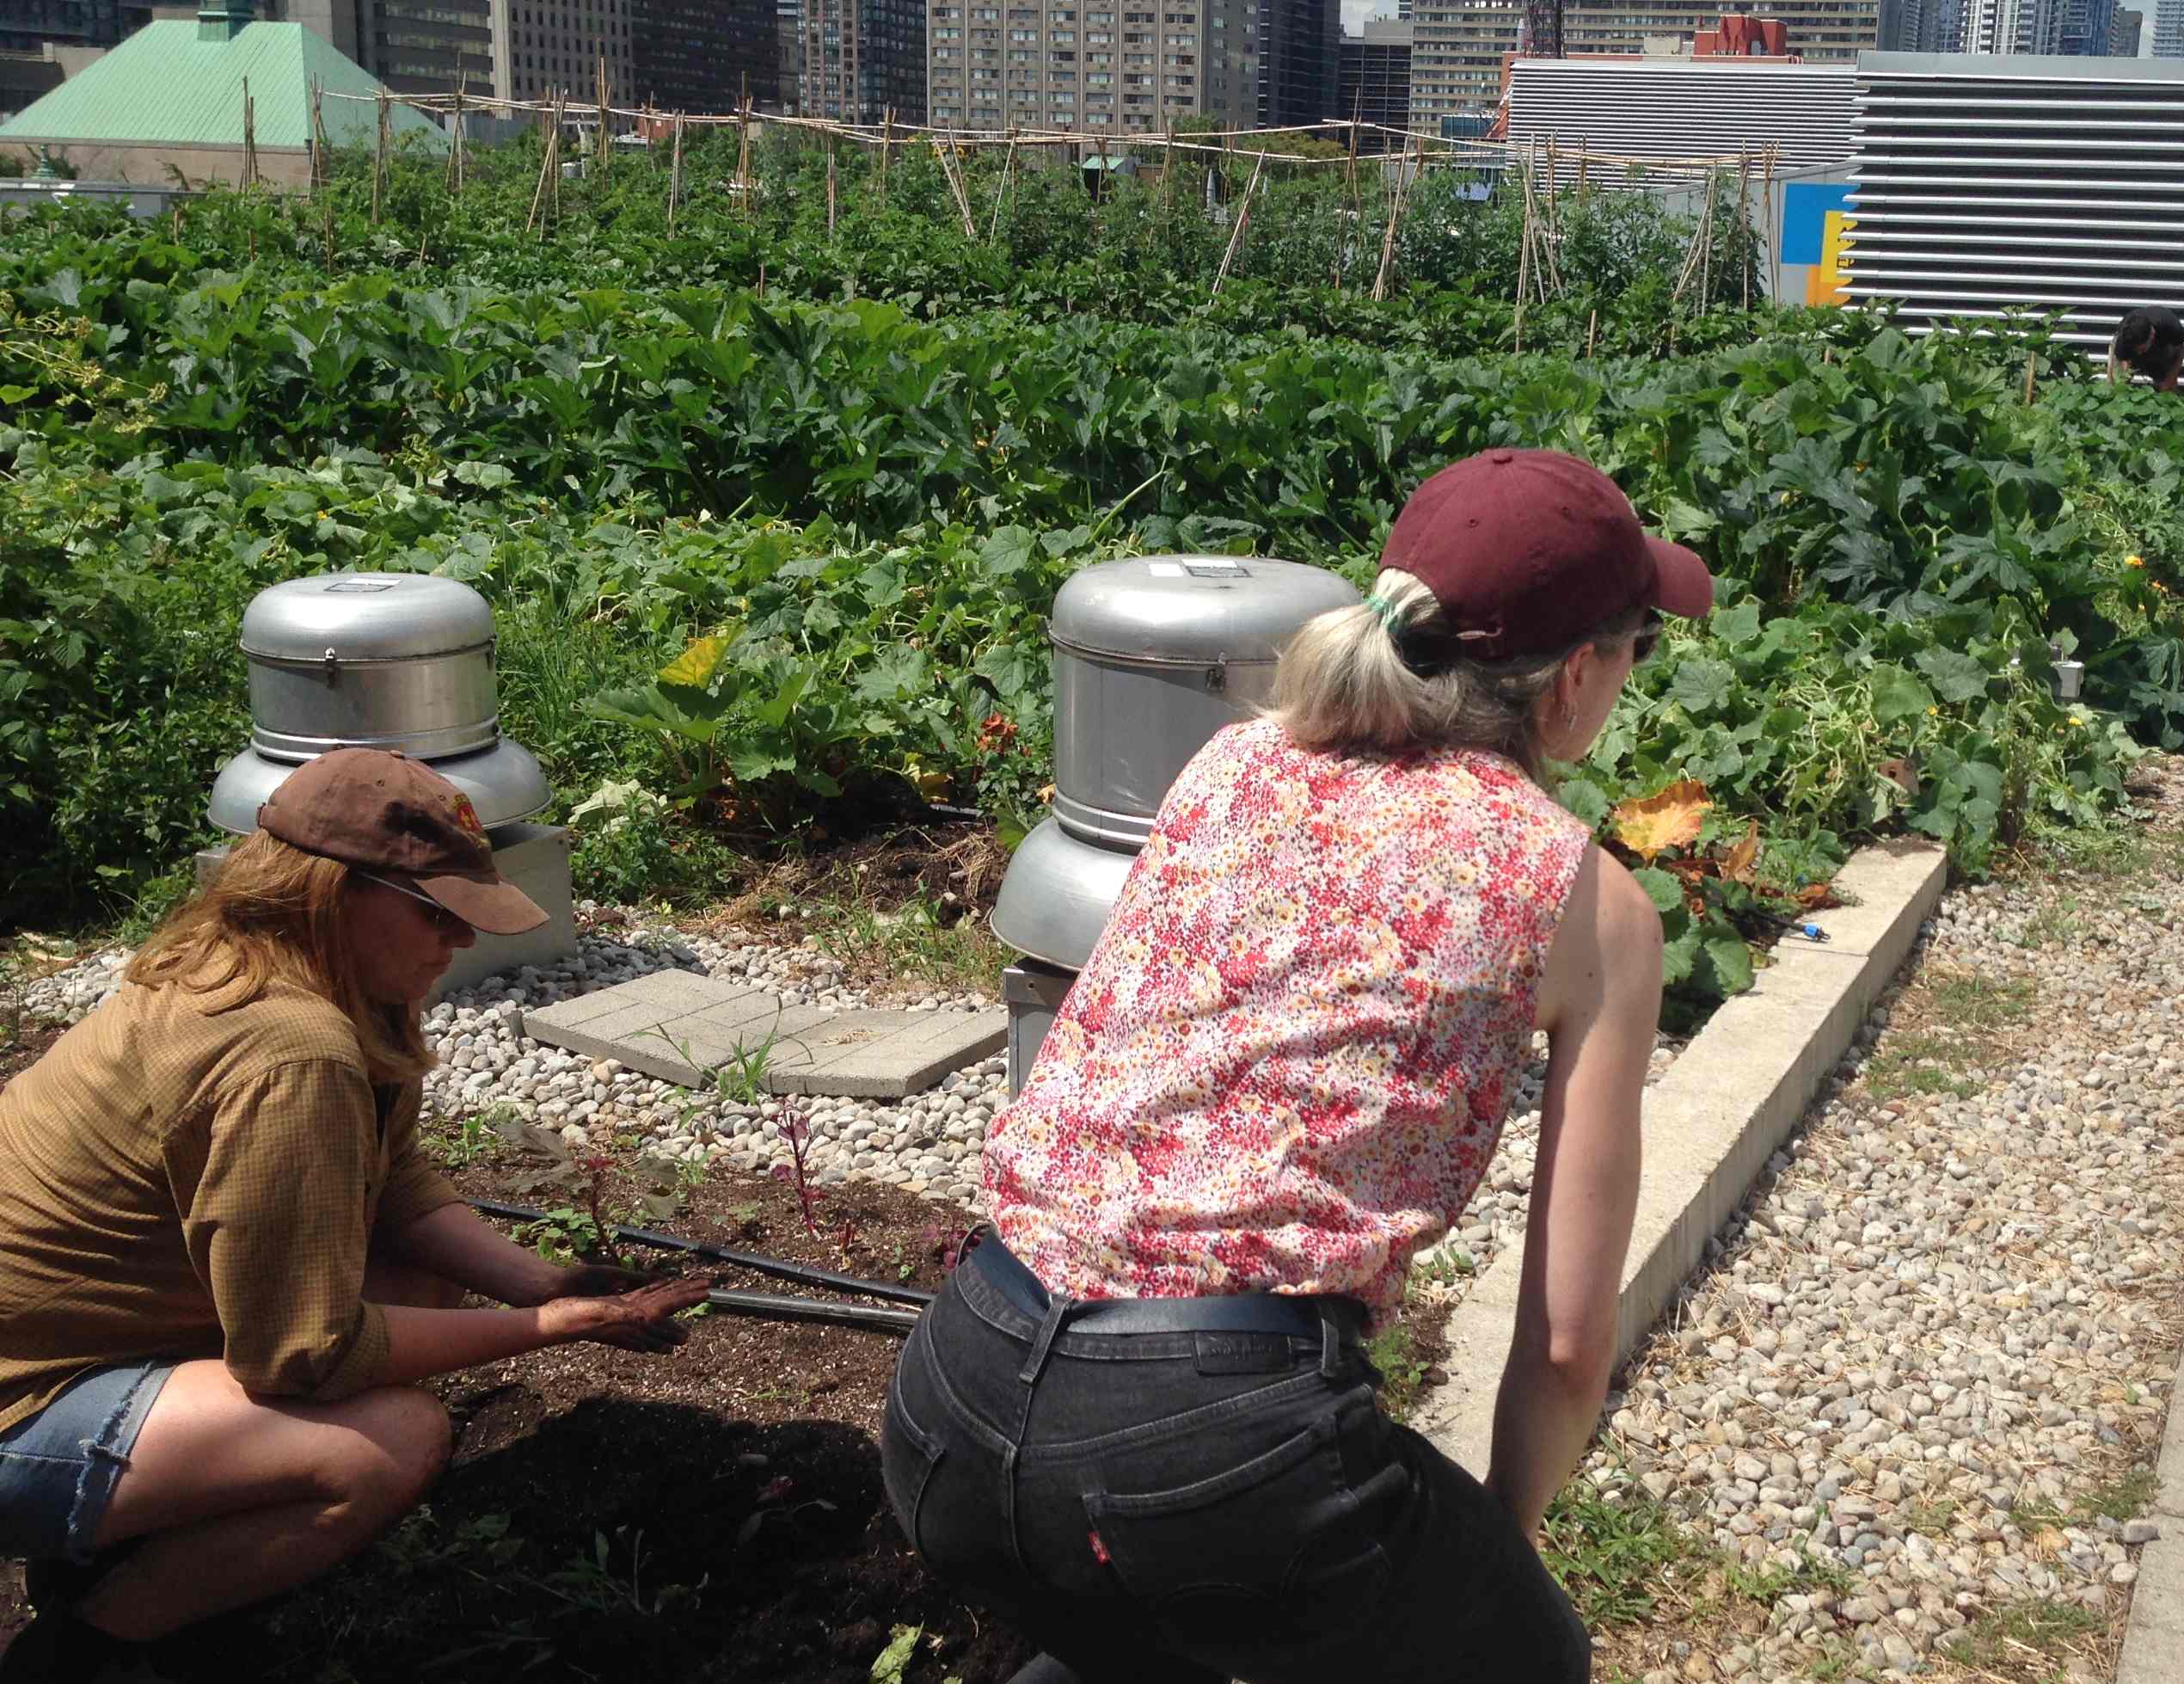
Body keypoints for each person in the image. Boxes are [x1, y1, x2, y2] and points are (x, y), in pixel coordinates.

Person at [880, 447, 1704, 1684]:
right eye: (1637, 641)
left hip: (955, 1389)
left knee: (1146, 1627)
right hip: (1210, 1440)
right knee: (1520, 1657)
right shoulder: (1585, 902)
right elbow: (1570, 1340)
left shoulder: (1235, 763)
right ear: (1576, 677)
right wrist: (1490, 1567)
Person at [0, 749, 709, 1683]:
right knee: (388, 1445)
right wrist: (543, 1327)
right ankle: (92, 1643)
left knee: (414, 1281)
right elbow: (304, 1351)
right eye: (436, 911)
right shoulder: (292, 1051)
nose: (459, 939)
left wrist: (537, 1277)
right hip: (25, 1406)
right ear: (333, 889)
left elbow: (390, 1180)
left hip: (75, 1336)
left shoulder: (271, 965)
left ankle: (113, 1537)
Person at [2107, 304, 2184, 392]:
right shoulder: (2125, 337)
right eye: (2137, 350)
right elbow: (2123, 362)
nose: (2139, 353)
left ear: (2152, 336)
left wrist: (2168, 381)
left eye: (2142, 349)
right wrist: (2123, 381)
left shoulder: (2170, 326)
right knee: (2116, 386)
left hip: (2162, 348)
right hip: (2129, 345)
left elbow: (2179, 354)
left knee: (2168, 388)